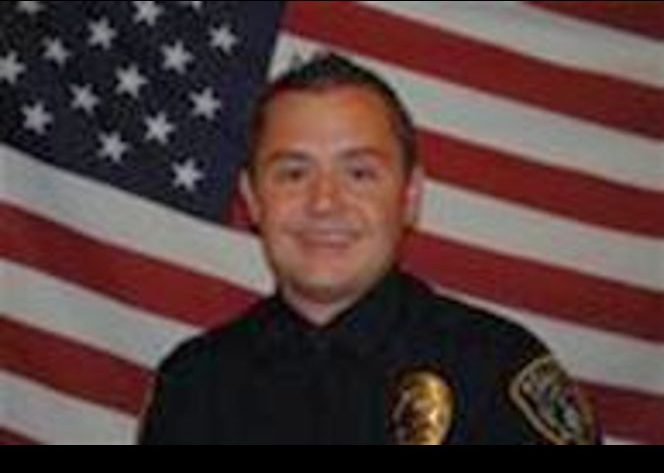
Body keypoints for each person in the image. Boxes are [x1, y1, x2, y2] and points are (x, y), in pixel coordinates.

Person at [138, 53, 601, 445]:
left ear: (410, 196)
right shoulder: (195, 385)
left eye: (359, 173)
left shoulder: (496, 372)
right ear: (253, 199)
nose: (324, 202)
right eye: (293, 174)